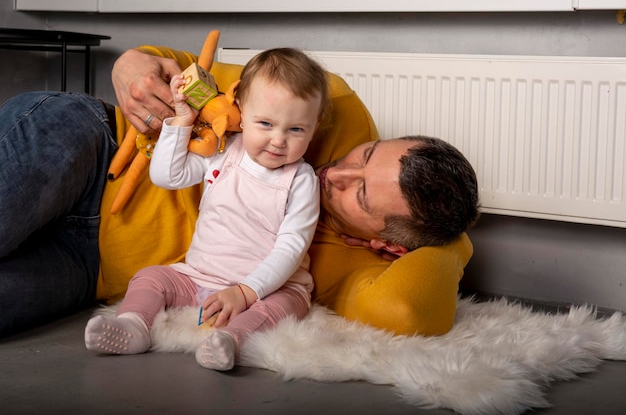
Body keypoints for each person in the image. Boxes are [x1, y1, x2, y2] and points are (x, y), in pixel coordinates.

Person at [0, 42, 479, 341]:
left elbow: (411, 312)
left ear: (388, 245)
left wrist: (451, 237)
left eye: (361, 196)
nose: (337, 173)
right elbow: (185, 69)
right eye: (366, 154)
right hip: (90, 150)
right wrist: (133, 65)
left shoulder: (359, 268)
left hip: (90, 269)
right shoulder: (328, 102)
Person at [84, 47, 328, 371]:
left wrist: (245, 292)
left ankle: (231, 341)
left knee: (281, 306)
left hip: (270, 287)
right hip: (200, 276)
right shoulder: (224, 151)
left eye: (296, 129)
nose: (278, 140)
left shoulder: (300, 181)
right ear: (240, 104)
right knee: (150, 278)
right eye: (266, 123)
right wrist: (180, 123)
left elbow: (292, 247)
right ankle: (134, 325)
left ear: (315, 124)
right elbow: (166, 176)